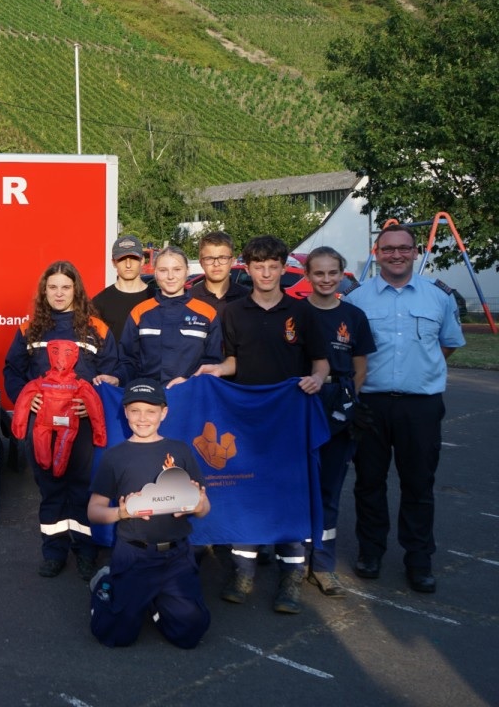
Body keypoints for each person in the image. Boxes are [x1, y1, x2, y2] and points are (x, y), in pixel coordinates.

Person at [196, 234, 328, 614]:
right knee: (248, 494)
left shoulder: (302, 312)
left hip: (289, 417)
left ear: (284, 268)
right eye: (259, 266)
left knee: (288, 495)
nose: (266, 273)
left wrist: (317, 380)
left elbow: (320, 362)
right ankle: (243, 573)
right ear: (248, 268)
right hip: (245, 419)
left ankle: (291, 577)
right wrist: (215, 370)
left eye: (273, 266)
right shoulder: (233, 312)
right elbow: (233, 361)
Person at [343, 225, 465, 594]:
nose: (396, 255)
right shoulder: (358, 299)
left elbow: (448, 344)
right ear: (376, 252)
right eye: (388, 249)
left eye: (404, 249)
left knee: (419, 485)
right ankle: (371, 551)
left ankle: (418, 559)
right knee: (368, 484)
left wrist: (421, 371)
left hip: (420, 407)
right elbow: (348, 352)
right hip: (372, 405)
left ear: (415, 252)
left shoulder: (439, 297)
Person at [3, 261, 120, 581]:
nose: (58, 293)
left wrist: (96, 396)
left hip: (81, 426)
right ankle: (53, 551)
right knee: (51, 488)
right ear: (44, 291)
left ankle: (85, 552)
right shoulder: (31, 330)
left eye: (65, 287)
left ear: (76, 290)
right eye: (52, 287)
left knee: (82, 488)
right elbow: (12, 371)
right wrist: (27, 398)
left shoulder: (96, 327)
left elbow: (114, 371)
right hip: (41, 424)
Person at [86, 379, 212, 649]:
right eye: (135, 411)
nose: (142, 418)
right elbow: (94, 511)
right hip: (134, 555)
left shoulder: (180, 450)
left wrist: (198, 505)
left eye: (151, 411)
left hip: (176, 556)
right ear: (126, 411)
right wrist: (120, 513)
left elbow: (204, 508)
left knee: (190, 633)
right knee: (115, 637)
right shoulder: (115, 457)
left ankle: (155, 599)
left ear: (164, 413)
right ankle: (105, 584)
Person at [302, 247, 375, 598]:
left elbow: (360, 368)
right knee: (299, 486)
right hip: (303, 404)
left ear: (343, 274)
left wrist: (349, 403)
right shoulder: (297, 314)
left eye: (333, 273)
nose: (327, 279)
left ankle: (323, 565)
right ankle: (295, 559)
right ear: (308, 275)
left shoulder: (354, 316)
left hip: (340, 405)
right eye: (319, 273)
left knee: (329, 488)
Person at [116, 246, 222, 387]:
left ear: (187, 271)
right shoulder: (140, 312)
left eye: (177, 269)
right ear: (155, 273)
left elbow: (213, 363)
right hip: (149, 400)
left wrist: (191, 382)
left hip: (191, 395)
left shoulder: (206, 313)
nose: (170, 276)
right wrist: (117, 378)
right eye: (163, 270)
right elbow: (127, 360)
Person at [91, 234, 152, 343]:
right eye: (122, 259)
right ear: (114, 263)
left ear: (142, 260)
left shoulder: (156, 298)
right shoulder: (99, 303)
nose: (128, 265)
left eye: (133, 258)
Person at [188, 231, 250, 320]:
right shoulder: (189, 298)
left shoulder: (247, 297)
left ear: (232, 261)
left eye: (223, 258)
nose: (216, 264)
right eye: (209, 258)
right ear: (201, 262)